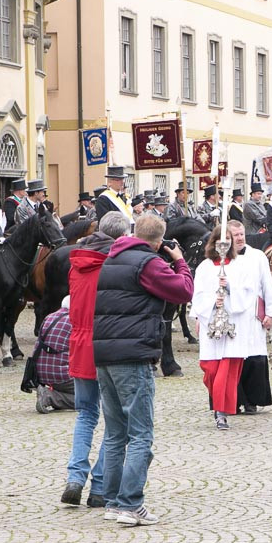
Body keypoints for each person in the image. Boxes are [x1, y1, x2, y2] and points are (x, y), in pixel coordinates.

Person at [94, 213, 193, 526]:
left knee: (113, 434)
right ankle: (130, 503)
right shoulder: (147, 263)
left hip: (105, 353)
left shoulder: (111, 259)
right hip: (133, 354)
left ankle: (111, 500)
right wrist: (179, 261)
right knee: (140, 435)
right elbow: (183, 291)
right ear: (159, 240)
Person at [61, 211, 130, 508]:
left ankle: (75, 477)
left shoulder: (77, 262)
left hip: (78, 340)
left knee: (85, 414)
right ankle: (100, 484)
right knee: (117, 421)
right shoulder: (116, 264)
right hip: (106, 342)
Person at [192, 227, 256, 430]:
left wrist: (230, 288)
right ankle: (220, 404)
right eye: (221, 239)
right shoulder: (204, 267)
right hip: (210, 322)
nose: (225, 243)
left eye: (228, 239)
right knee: (211, 370)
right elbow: (198, 294)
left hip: (234, 324)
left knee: (227, 371)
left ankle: (221, 413)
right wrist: (213, 301)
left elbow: (249, 293)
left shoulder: (241, 265)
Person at [228, 220, 272, 415]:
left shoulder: (257, 256)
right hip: (232, 315)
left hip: (253, 314)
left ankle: (252, 401)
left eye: (241, 234)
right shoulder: (222, 258)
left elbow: (267, 284)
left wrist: (271, 312)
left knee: (254, 358)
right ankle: (233, 399)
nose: (239, 238)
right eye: (235, 235)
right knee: (233, 358)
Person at [34, 296, 75, 413]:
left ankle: (52, 394)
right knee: (92, 398)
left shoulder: (49, 317)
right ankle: (51, 397)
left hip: (40, 374)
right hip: (62, 377)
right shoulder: (74, 320)